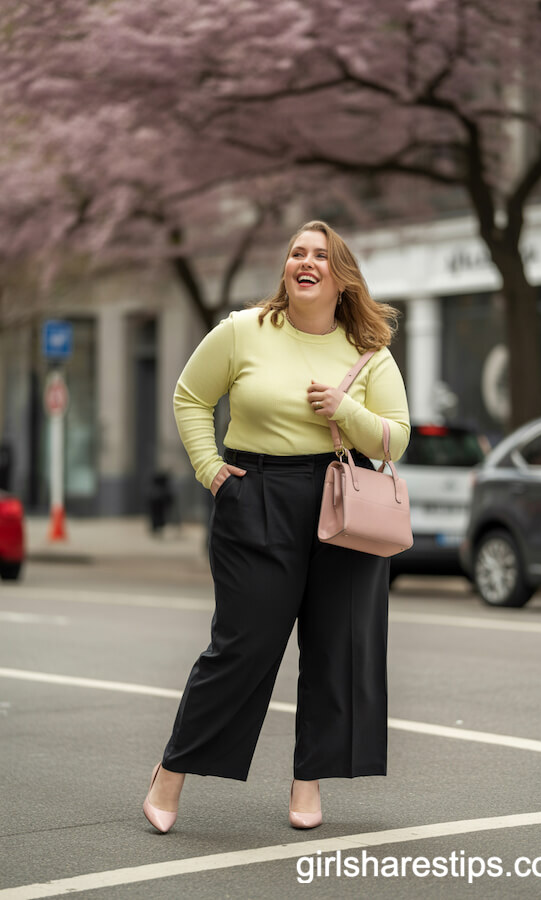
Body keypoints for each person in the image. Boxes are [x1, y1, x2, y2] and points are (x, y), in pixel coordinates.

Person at [142, 220, 410, 834]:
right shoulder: (242, 331)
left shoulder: (370, 352)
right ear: (286, 270)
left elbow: (397, 436)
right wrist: (211, 470)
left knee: (335, 646)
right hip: (255, 495)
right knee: (244, 645)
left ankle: (308, 782)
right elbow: (189, 396)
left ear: (341, 279)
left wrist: (345, 410)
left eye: (319, 255)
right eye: (296, 253)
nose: (304, 261)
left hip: (343, 501)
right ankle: (170, 772)